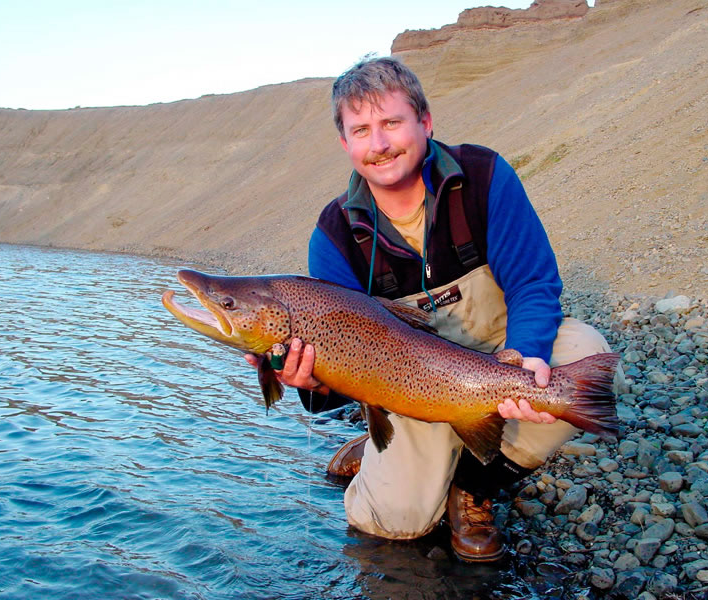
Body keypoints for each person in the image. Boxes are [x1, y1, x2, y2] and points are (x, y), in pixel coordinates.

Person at [245, 56, 622, 562]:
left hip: (498, 354)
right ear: (345, 144)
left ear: (424, 121)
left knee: (582, 355)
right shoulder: (335, 236)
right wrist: (309, 382)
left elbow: (533, 282)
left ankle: (472, 487)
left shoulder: (482, 177)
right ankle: (384, 455)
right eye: (360, 130)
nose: (378, 145)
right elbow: (342, 369)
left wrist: (526, 355)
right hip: (407, 388)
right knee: (395, 525)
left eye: (391, 123)